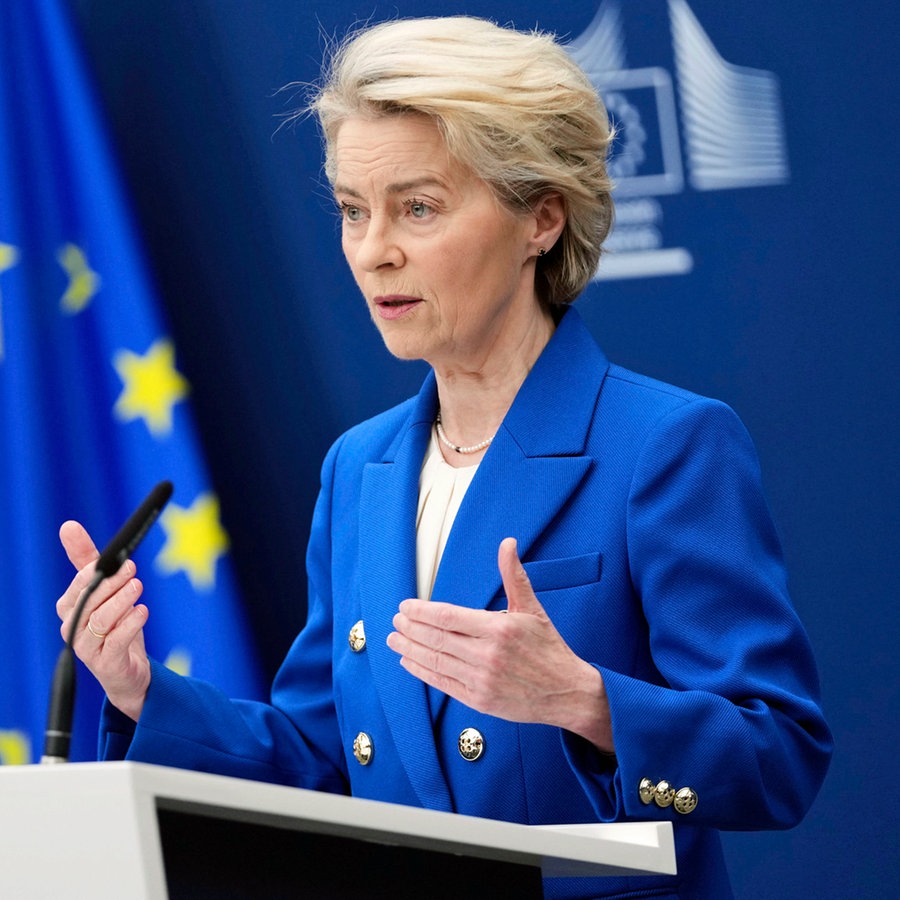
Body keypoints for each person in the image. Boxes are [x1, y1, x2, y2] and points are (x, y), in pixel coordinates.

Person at [56, 16, 832, 899]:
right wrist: (140, 691)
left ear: (541, 217)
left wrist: (583, 699)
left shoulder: (665, 444)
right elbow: (320, 758)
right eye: (353, 209)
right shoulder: (360, 467)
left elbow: (780, 758)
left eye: (417, 207)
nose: (373, 249)